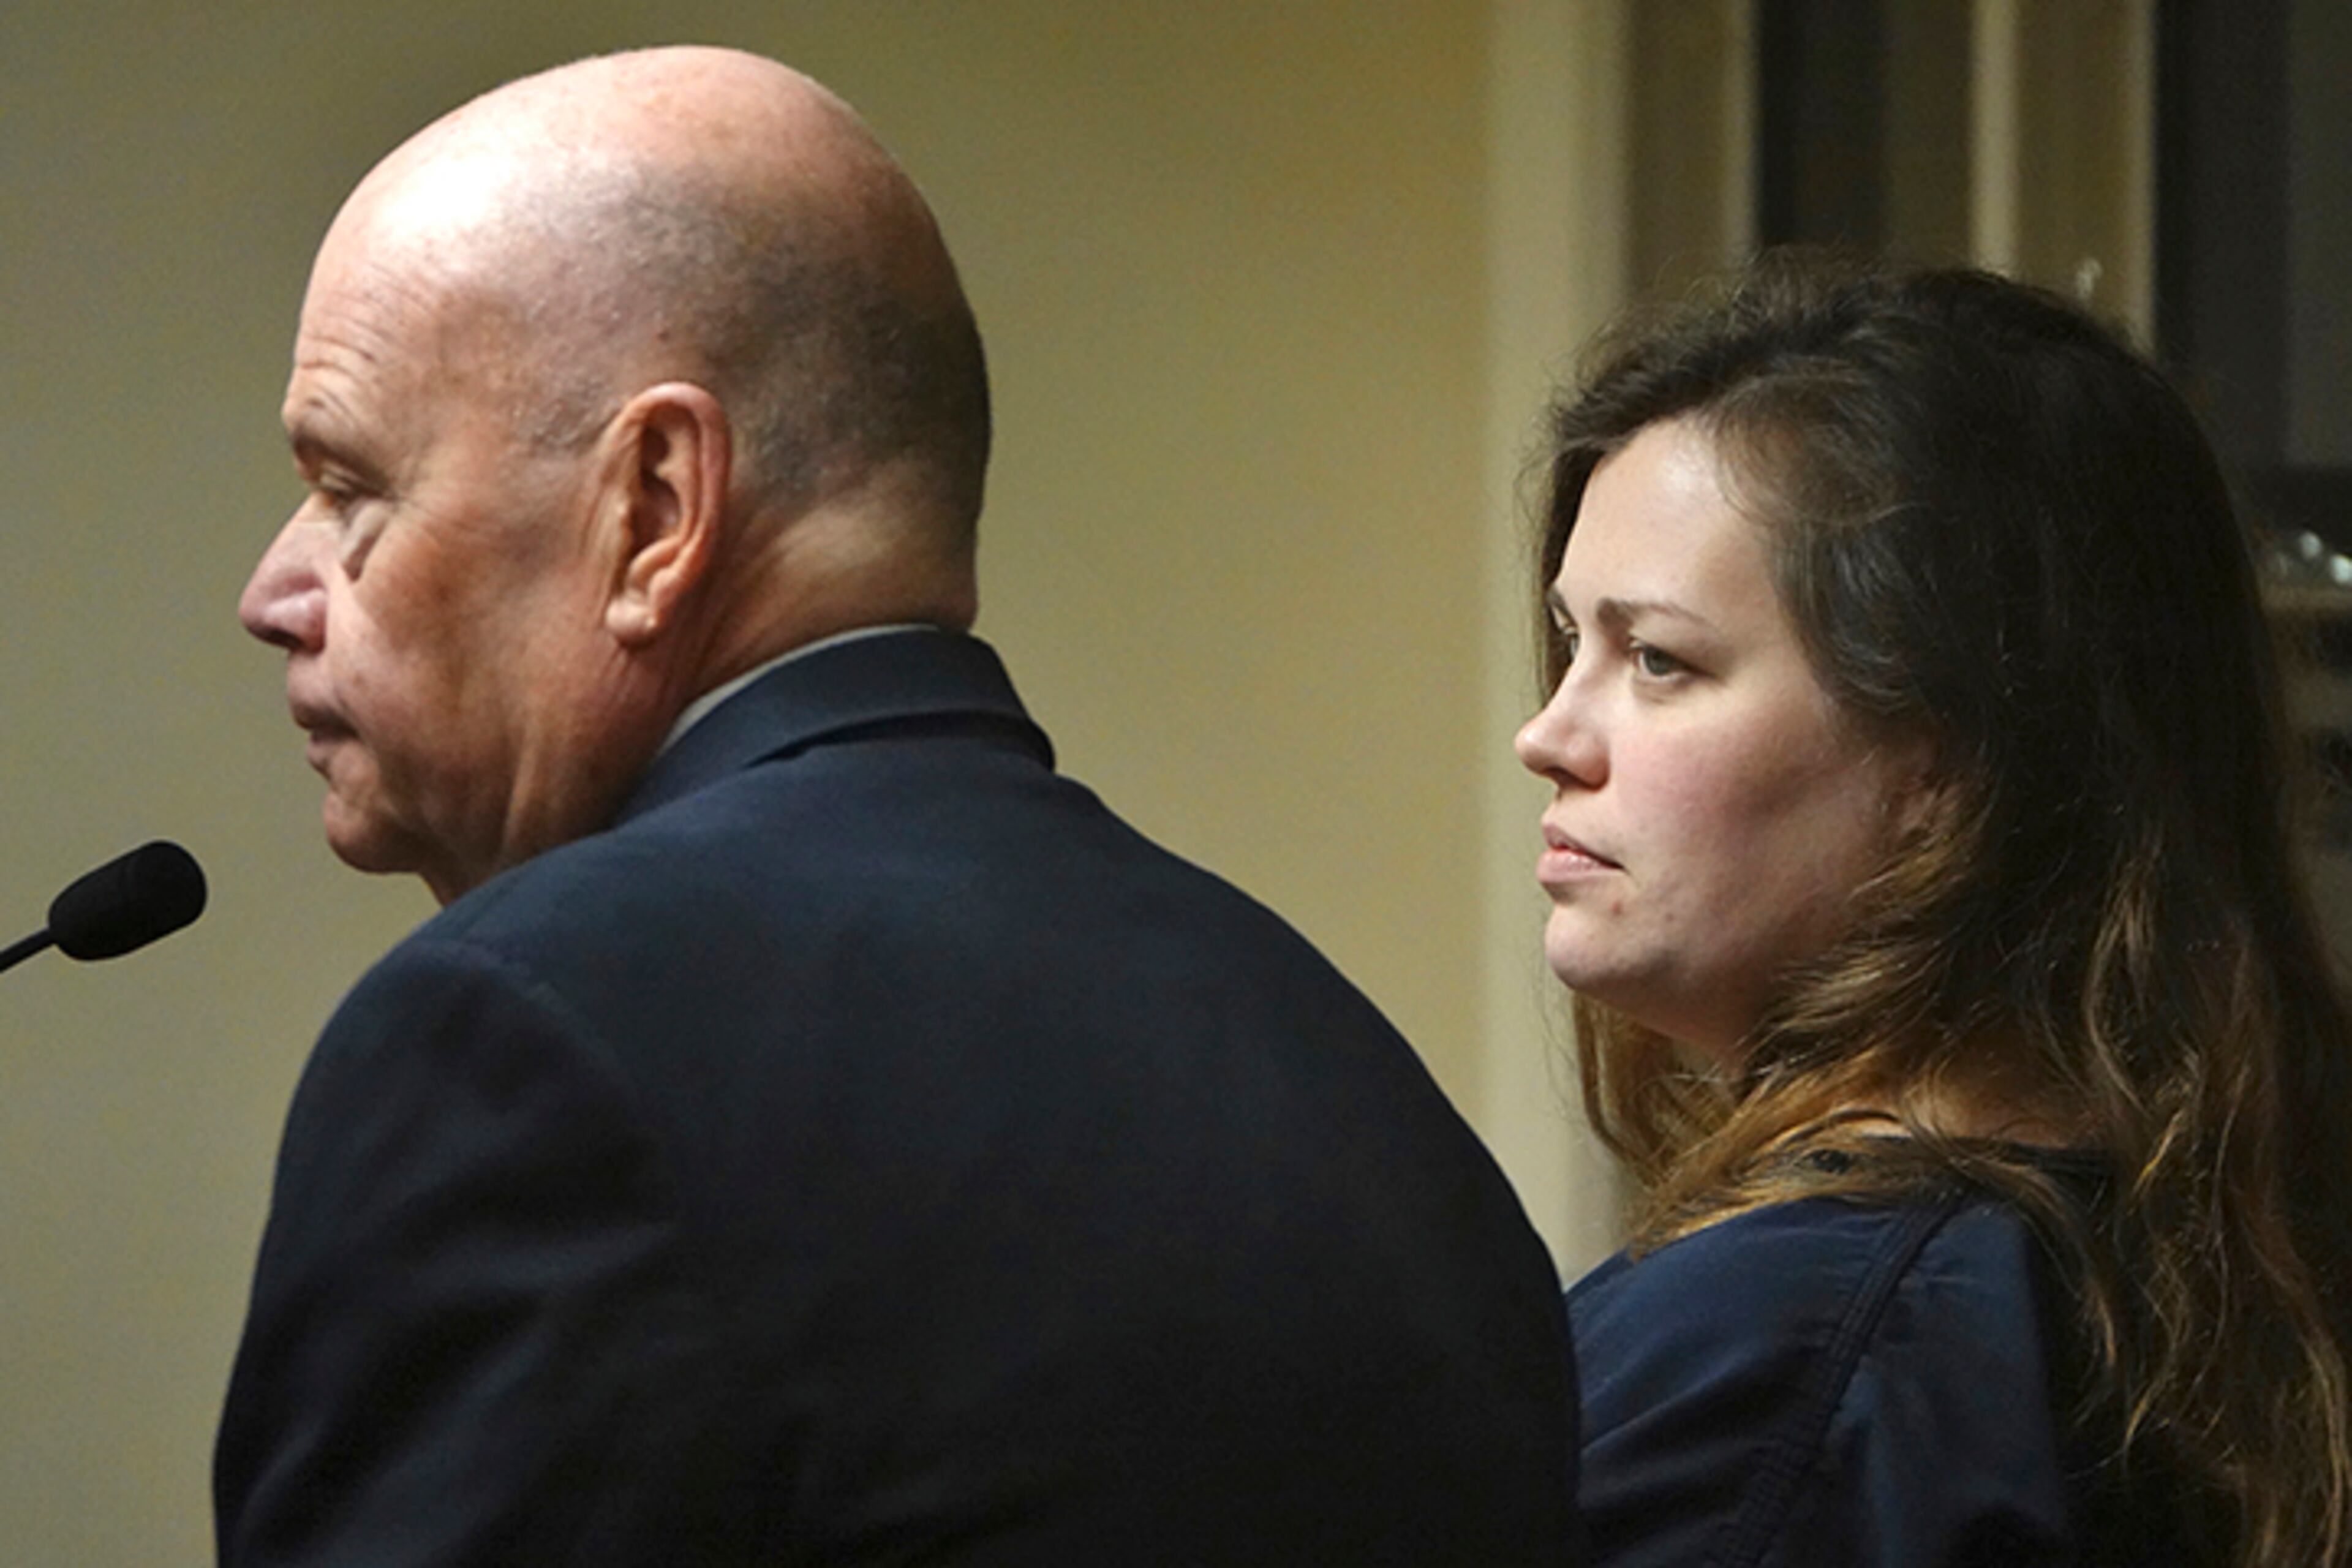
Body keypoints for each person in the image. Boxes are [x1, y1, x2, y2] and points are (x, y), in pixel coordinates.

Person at [218, 46, 1578, 1566]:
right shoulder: (1349, 1079)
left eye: (350, 488)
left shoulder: (522, 1044)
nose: (275, 591)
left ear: (657, 510)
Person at [1512, 254, 2352, 1567]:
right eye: (1572, 644)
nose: (1549, 734)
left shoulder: (1792, 1347)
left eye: (1660, 659)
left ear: (1950, 758)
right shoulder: (2216, 1255)